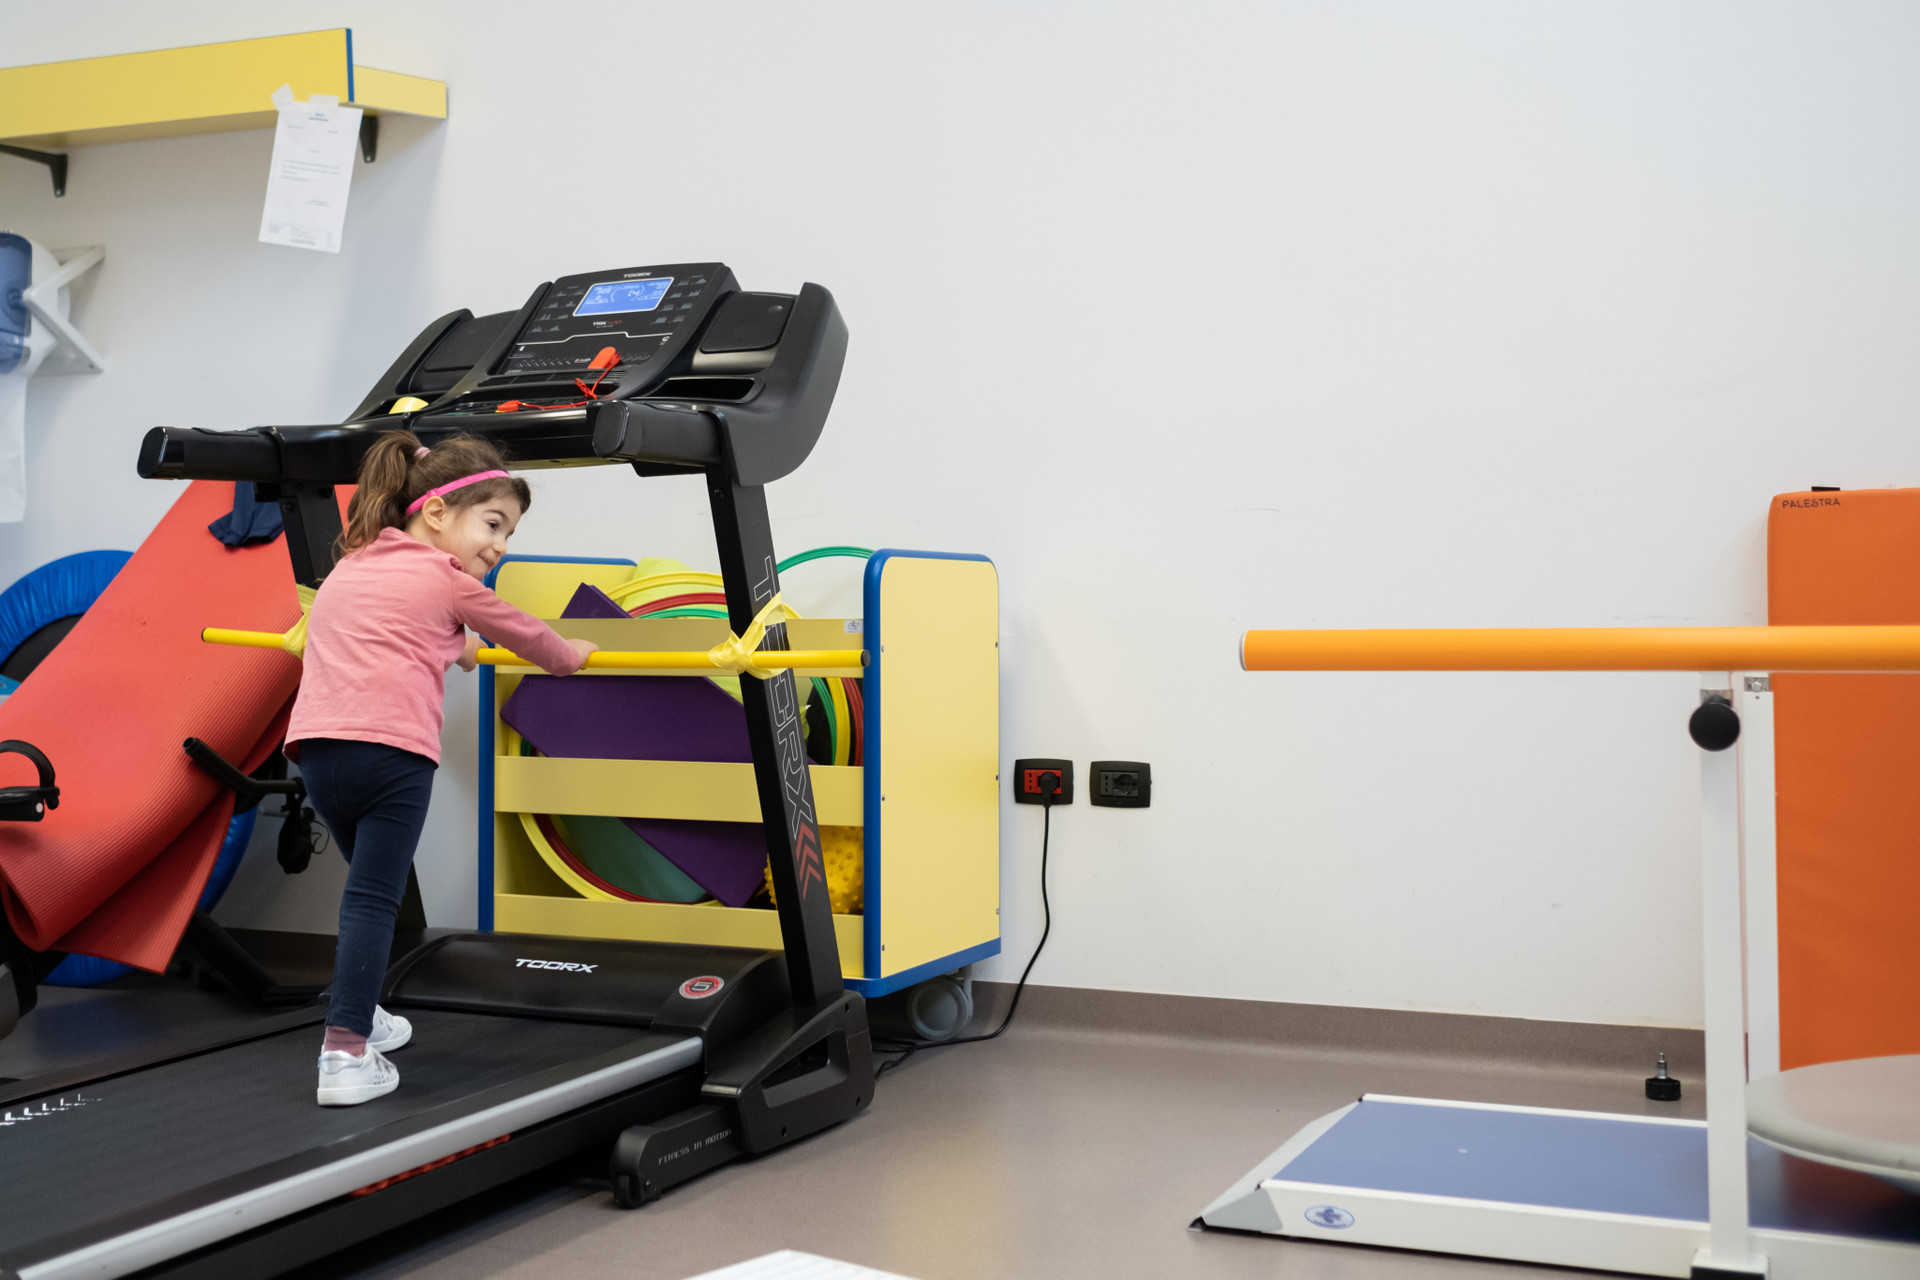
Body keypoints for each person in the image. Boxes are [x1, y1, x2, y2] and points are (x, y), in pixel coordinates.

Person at [286, 431, 596, 1106]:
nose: (499, 546)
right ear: (434, 512)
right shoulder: (447, 580)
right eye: (492, 523)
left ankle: (362, 1013)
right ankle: (343, 1056)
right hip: (392, 757)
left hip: (317, 754)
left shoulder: (352, 566)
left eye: (508, 533)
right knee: (374, 900)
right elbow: (533, 639)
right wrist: (573, 651)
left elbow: (392, 630)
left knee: (366, 891)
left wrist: (453, 642)